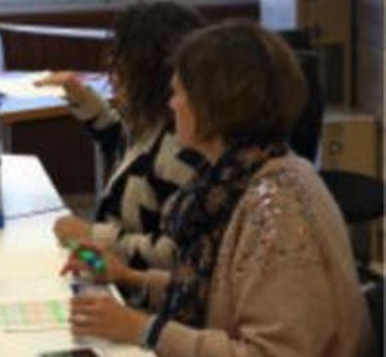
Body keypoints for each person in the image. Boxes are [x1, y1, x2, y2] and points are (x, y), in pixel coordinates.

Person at [62, 20, 371, 356]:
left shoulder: (277, 205)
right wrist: (127, 276)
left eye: (179, 92)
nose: (172, 104)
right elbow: (213, 288)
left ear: (215, 104)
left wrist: (144, 329)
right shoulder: (234, 178)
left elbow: (271, 352)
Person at [37, 2, 205, 271]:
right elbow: (122, 145)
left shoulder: (182, 148)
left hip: (139, 291)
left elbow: (174, 256)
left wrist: (91, 235)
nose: (112, 71)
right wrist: (81, 96)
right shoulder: (154, 123)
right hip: (113, 272)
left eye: (120, 63)